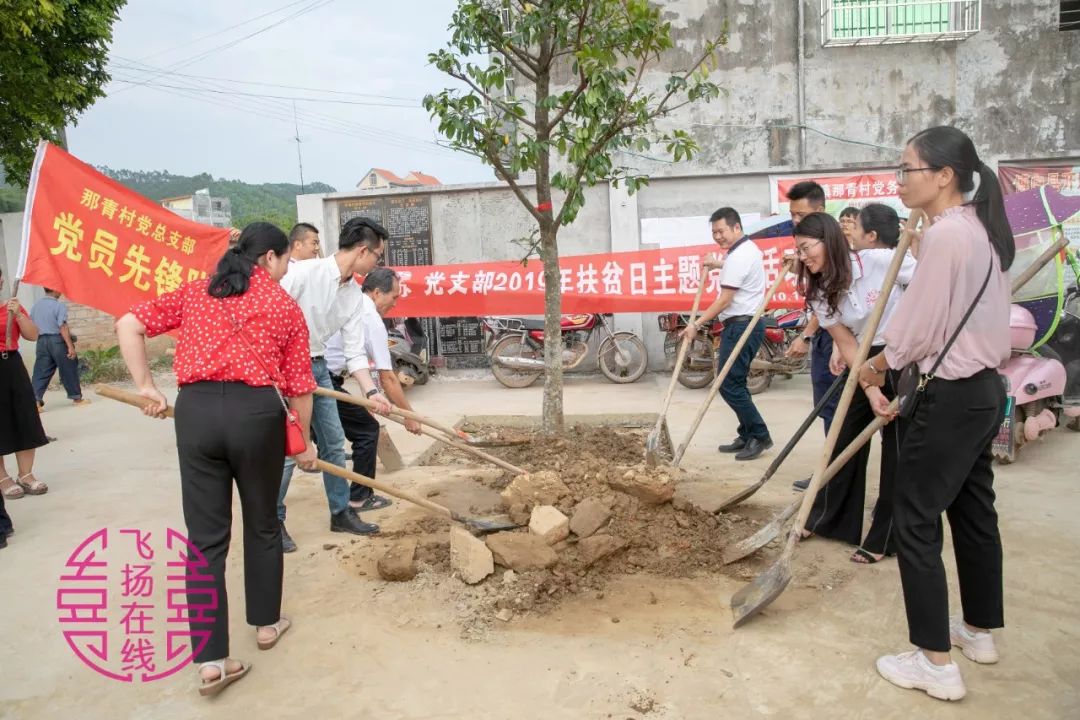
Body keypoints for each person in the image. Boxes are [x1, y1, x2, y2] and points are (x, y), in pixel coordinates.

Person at [115, 223, 318, 697]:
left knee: (205, 541)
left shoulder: (197, 292)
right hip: (257, 417)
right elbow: (300, 388)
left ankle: (211, 661)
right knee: (263, 523)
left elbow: (129, 323)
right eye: (286, 261)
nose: (287, 270)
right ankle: (266, 625)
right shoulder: (282, 305)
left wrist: (146, 386)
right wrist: (303, 443)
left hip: (197, 414)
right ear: (269, 258)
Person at [858, 126, 1014, 701]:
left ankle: (934, 662)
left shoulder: (949, 235)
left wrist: (880, 363)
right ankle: (978, 631)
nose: (900, 180)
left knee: (915, 518)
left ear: (943, 175)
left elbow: (919, 323)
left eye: (908, 169)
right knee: (974, 510)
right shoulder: (978, 230)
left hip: (947, 394)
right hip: (983, 391)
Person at [794, 207, 916, 565]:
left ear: (828, 240)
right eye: (798, 251)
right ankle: (829, 519)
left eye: (806, 248)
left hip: (902, 353)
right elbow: (846, 342)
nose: (803, 257)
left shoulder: (879, 261)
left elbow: (930, 284)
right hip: (862, 356)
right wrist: (871, 388)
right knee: (843, 437)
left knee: (896, 448)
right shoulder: (819, 290)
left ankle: (886, 535)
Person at [276, 217, 392, 549]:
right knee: (291, 447)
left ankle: (341, 512)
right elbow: (270, 320)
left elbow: (355, 353)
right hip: (285, 369)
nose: (377, 264)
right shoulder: (302, 274)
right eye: (377, 257)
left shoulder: (355, 295)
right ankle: (273, 522)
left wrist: (371, 392)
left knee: (333, 442)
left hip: (319, 365)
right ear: (363, 251)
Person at [326, 267, 422, 519]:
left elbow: (357, 360)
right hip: (322, 380)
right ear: (377, 292)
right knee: (367, 431)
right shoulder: (370, 318)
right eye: (394, 297)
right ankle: (359, 498)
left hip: (323, 375)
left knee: (328, 443)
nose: (395, 303)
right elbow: (389, 378)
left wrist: (371, 393)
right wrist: (410, 417)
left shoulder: (352, 301)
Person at [680, 207, 772, 460]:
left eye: (721, 231)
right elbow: (734, 268)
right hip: (745, 324)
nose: (718, 236)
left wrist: (695, 325)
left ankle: (760, 435)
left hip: (742, 325)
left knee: (728, 384)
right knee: (735, 382)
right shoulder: (742, 251)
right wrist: (716, 264)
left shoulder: (740, 255)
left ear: (736, 228)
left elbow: (724, 300)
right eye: (714, 232)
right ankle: (747, 433)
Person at [785, 181, 840, 489]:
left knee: (837, 409)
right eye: (792, 214)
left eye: (800, 214)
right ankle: (830, 472)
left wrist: (805, 336)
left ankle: (833, 476)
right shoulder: (812, 254)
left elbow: (833, 306)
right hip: (830, 337)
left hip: (841, 338)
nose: (795, 220)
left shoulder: (842, 252)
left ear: (820, 212)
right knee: (827, 408)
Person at [0, 268, 50, 505]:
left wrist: (18, 315)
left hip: (13, 365)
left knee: (25, 417)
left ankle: (26, 474)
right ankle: (2, 479)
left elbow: (32, 335)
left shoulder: (12, 307)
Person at [30, 288, 89, 410]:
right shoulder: (59, 306)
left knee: (41, 371)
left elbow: (32, 324)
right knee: (68, 367)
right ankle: (77, 398)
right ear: (56, 290)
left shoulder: (36, 306)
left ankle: (35, 401)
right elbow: (62, 326)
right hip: (56, 340)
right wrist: (70, 346)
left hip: (41, 341)